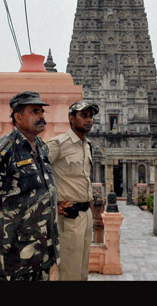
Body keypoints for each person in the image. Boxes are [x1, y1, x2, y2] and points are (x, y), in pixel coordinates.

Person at [0, 91, 59, 281]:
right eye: (35, 111)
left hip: (43, 248)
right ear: (18, 117)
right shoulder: (5, 148)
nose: (41, 116)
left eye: (42, 111)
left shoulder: (41, 146)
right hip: (14, 253)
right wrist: (1, 232)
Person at [47, 100, 98, 281]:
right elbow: (37, 174)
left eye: (91, 116)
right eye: (83, 115)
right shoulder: (58, 144)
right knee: (69, 271)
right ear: (71, 118)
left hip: (85, 215)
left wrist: (92, 210)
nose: (89, 120)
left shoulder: (87, 145)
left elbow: (84, 180)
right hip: (69, 216)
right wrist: (51, 204)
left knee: (82, 271)